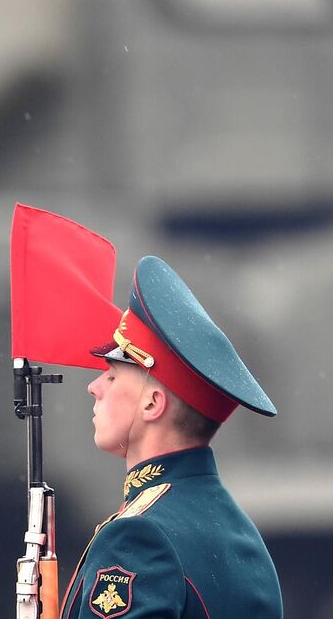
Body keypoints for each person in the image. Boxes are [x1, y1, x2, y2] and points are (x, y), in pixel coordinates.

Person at [61, 255, 282, 619]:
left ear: (151, 403)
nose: (94, 387)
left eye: (113, 376)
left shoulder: (138, 536)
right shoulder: (241, 534)